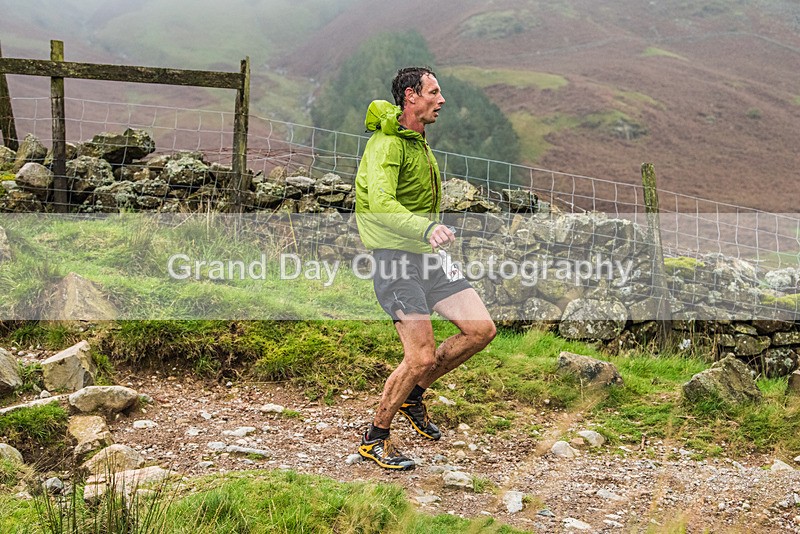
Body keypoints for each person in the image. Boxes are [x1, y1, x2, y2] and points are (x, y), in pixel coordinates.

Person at [354, 66, 496, 470]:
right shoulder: (387, 145)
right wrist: (427, 227)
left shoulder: (416, 139)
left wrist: (428, 234)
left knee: (481, 330)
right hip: (395, 260)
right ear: (411, 96)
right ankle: (375, 439)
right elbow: (381, 203)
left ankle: (413, 395)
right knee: (420, 356)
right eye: (434, 92)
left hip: (426, 257)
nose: (442, 99)